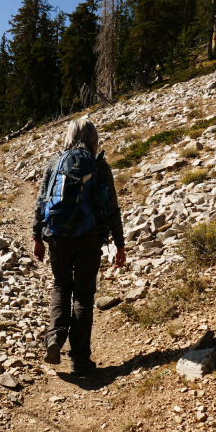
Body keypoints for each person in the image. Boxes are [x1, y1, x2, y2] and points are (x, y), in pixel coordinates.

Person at [32, 117, 126, 374]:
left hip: (57, 236)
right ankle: (80, 359)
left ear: (69, 135)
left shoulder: (55, 162)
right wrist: (120, 245)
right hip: (90, 237)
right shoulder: (100, 165)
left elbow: (41, 201)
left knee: (61, 285)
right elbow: (113, 209)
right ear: (94, 138)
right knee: (83, 295)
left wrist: (37, 237)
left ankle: (54, 338)